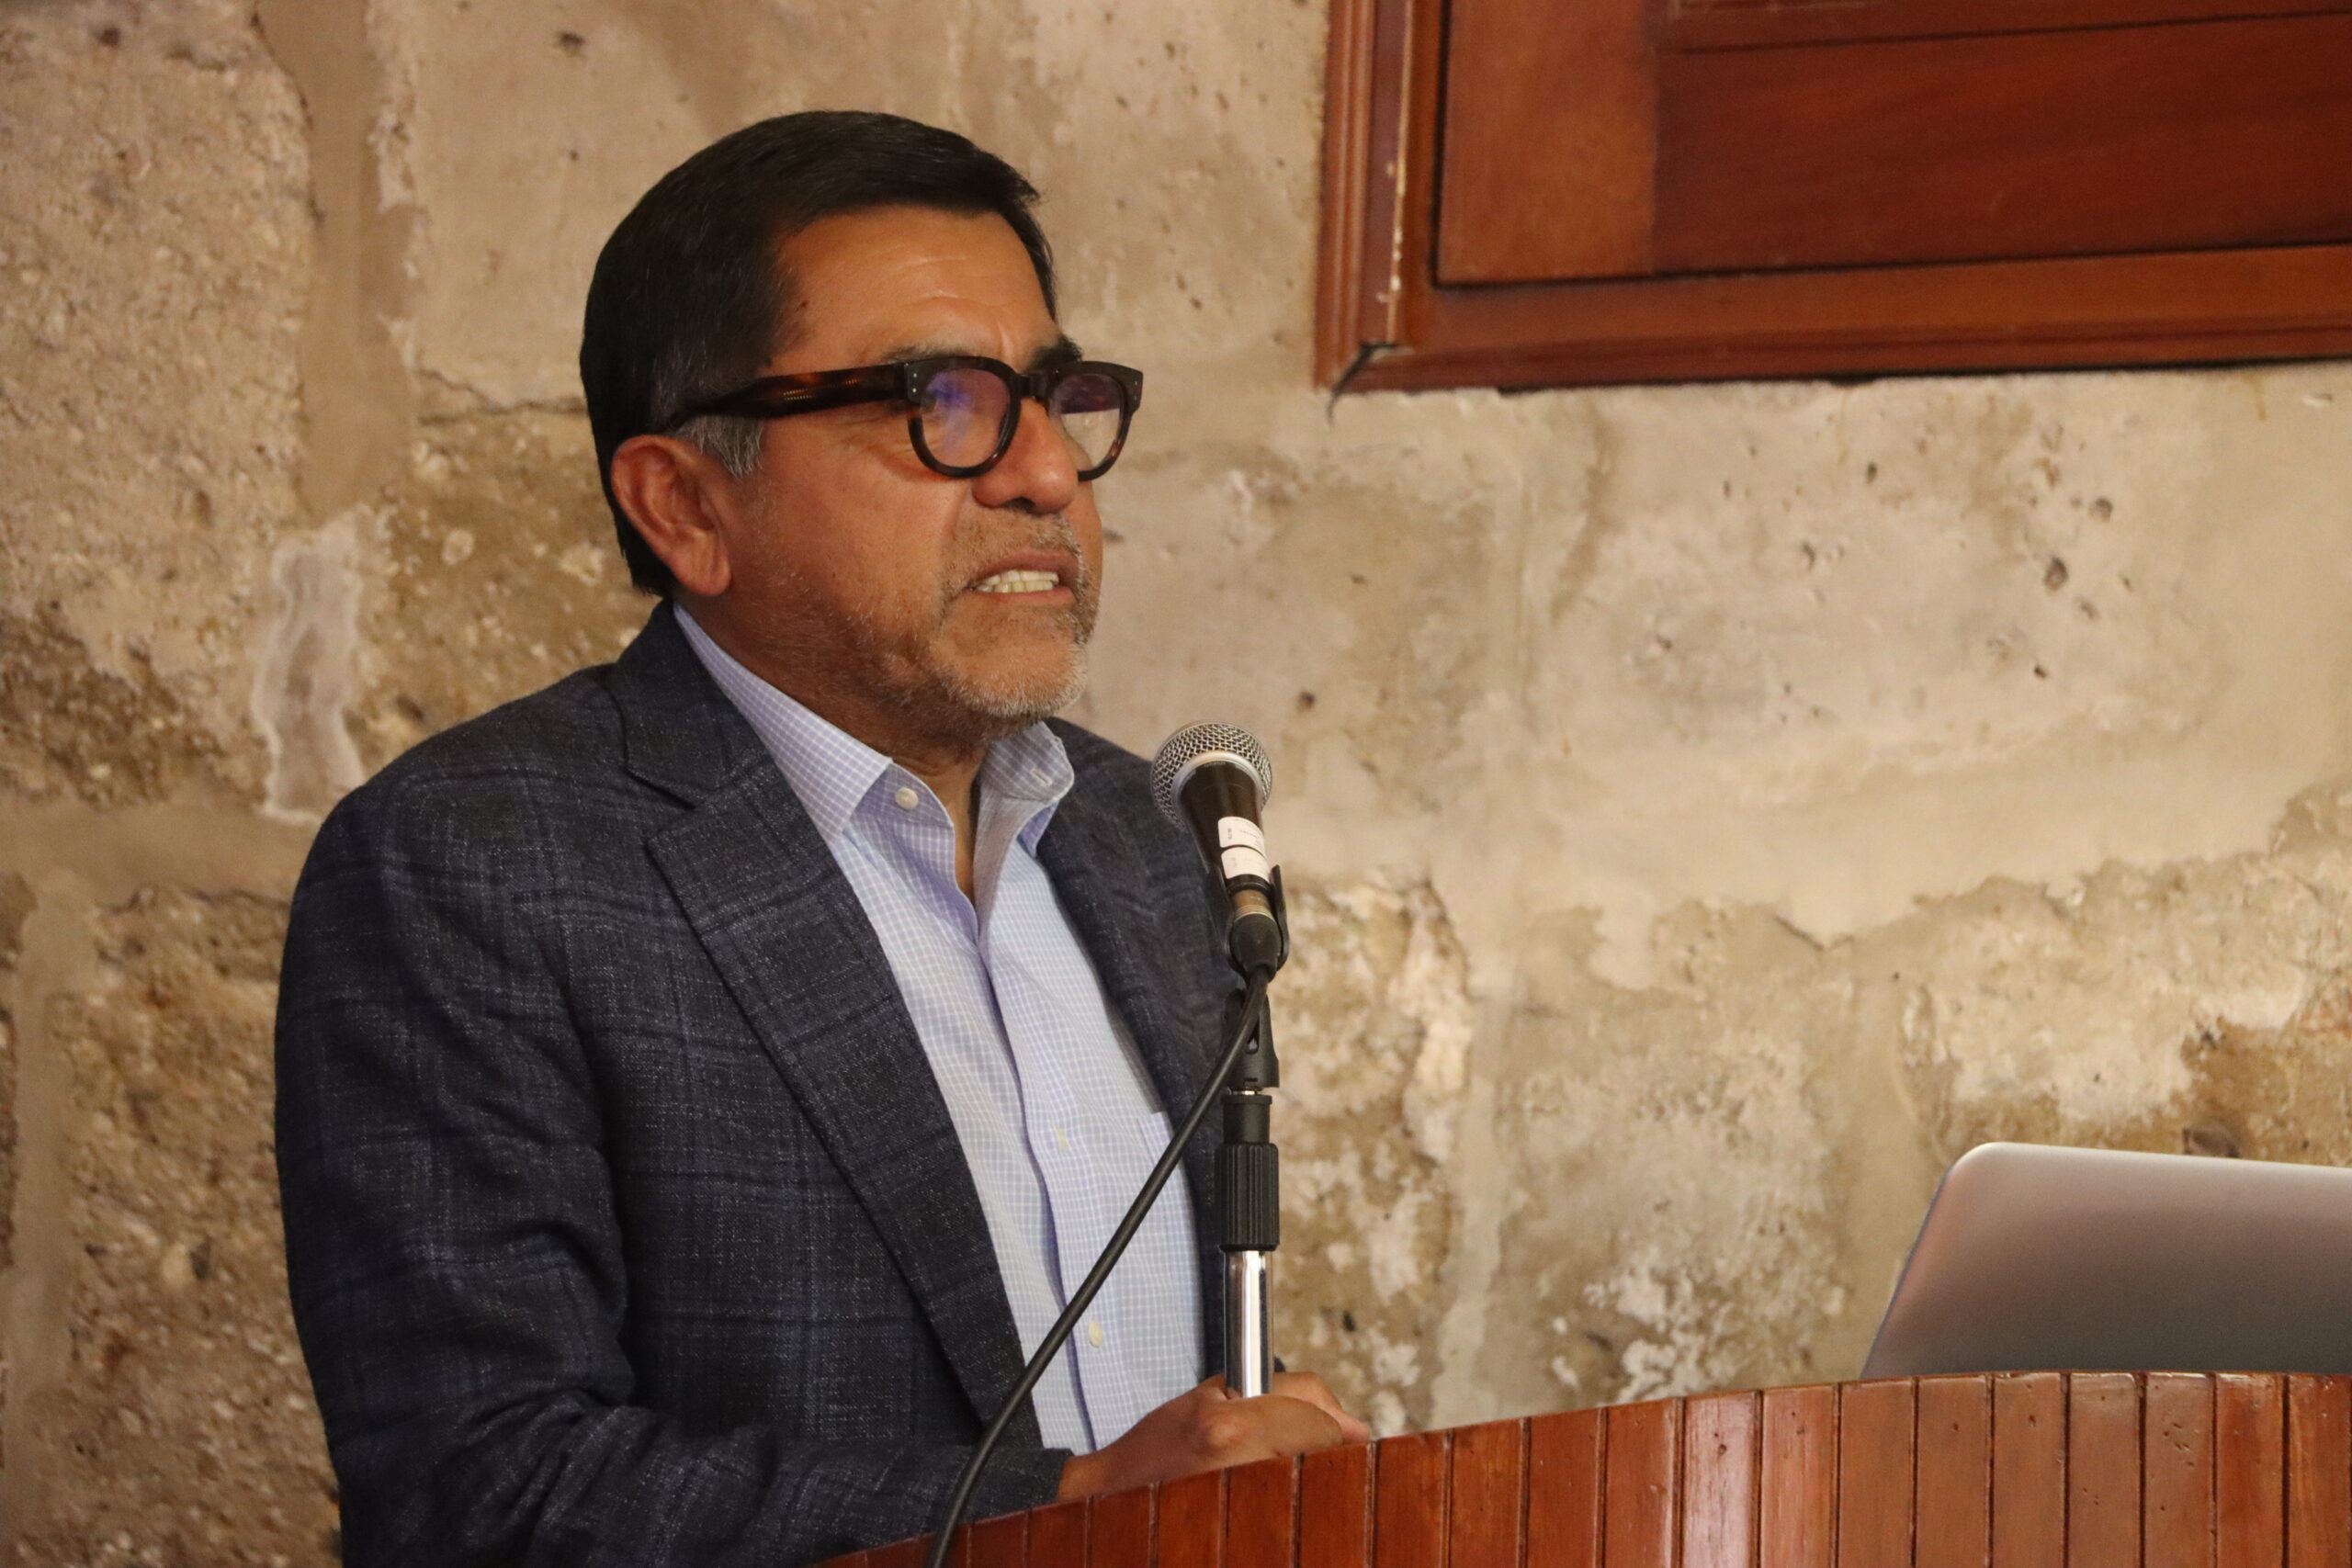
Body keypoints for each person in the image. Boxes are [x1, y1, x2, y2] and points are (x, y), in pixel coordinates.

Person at [274, 110, 1368, 1568]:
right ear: (686, 504)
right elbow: (483, 1496)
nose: (1046, 474)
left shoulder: (1145, 836)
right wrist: (1068, 1516)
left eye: (1055, 398)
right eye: (943, 403)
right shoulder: (472, 865)